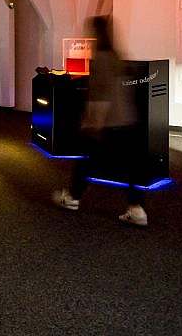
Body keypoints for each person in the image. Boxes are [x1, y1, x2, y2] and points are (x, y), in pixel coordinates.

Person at [53, 15, 148, 227]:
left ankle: (72, 198)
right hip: (126, 120)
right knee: (129, 166)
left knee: (86, 161)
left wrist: (93, 124)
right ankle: (137, 209)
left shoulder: (101, 60)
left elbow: (100, 94)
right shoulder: (116, 57)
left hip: (108, 123)